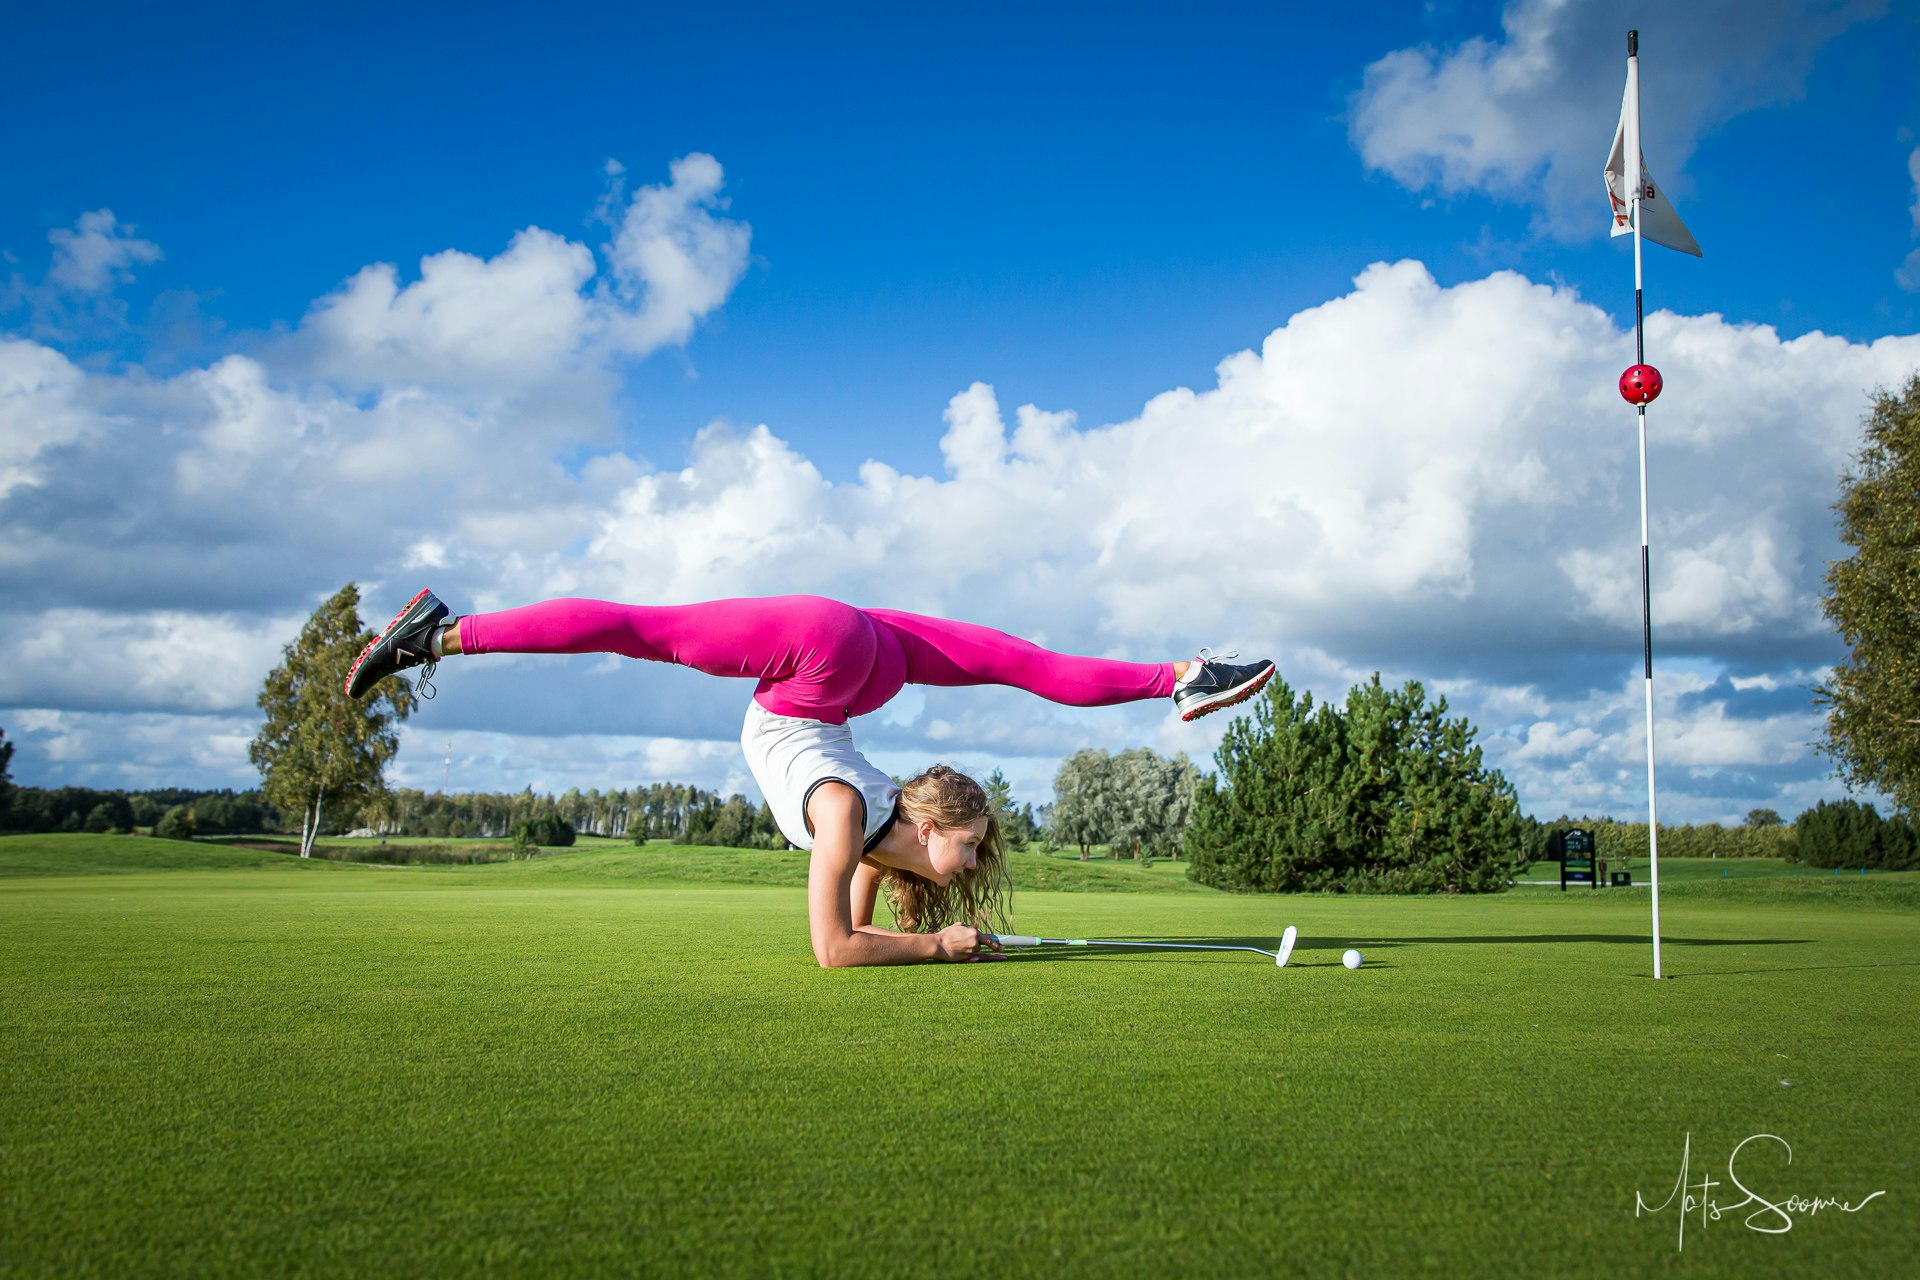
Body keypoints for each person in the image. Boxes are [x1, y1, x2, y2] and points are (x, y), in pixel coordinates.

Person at [345, 591, 1275, 968]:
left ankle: (1180, 682)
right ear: (932, 821)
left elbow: (862, 926)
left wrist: (940, 939)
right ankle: (441, 632)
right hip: (829, 659)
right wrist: (938, 948)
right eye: (972, 845)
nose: (972, 860)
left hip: (854, 661)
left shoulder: (873, 832)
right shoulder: (845, 817)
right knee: (642, 630)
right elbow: (836, 952)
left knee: (1017, 663)